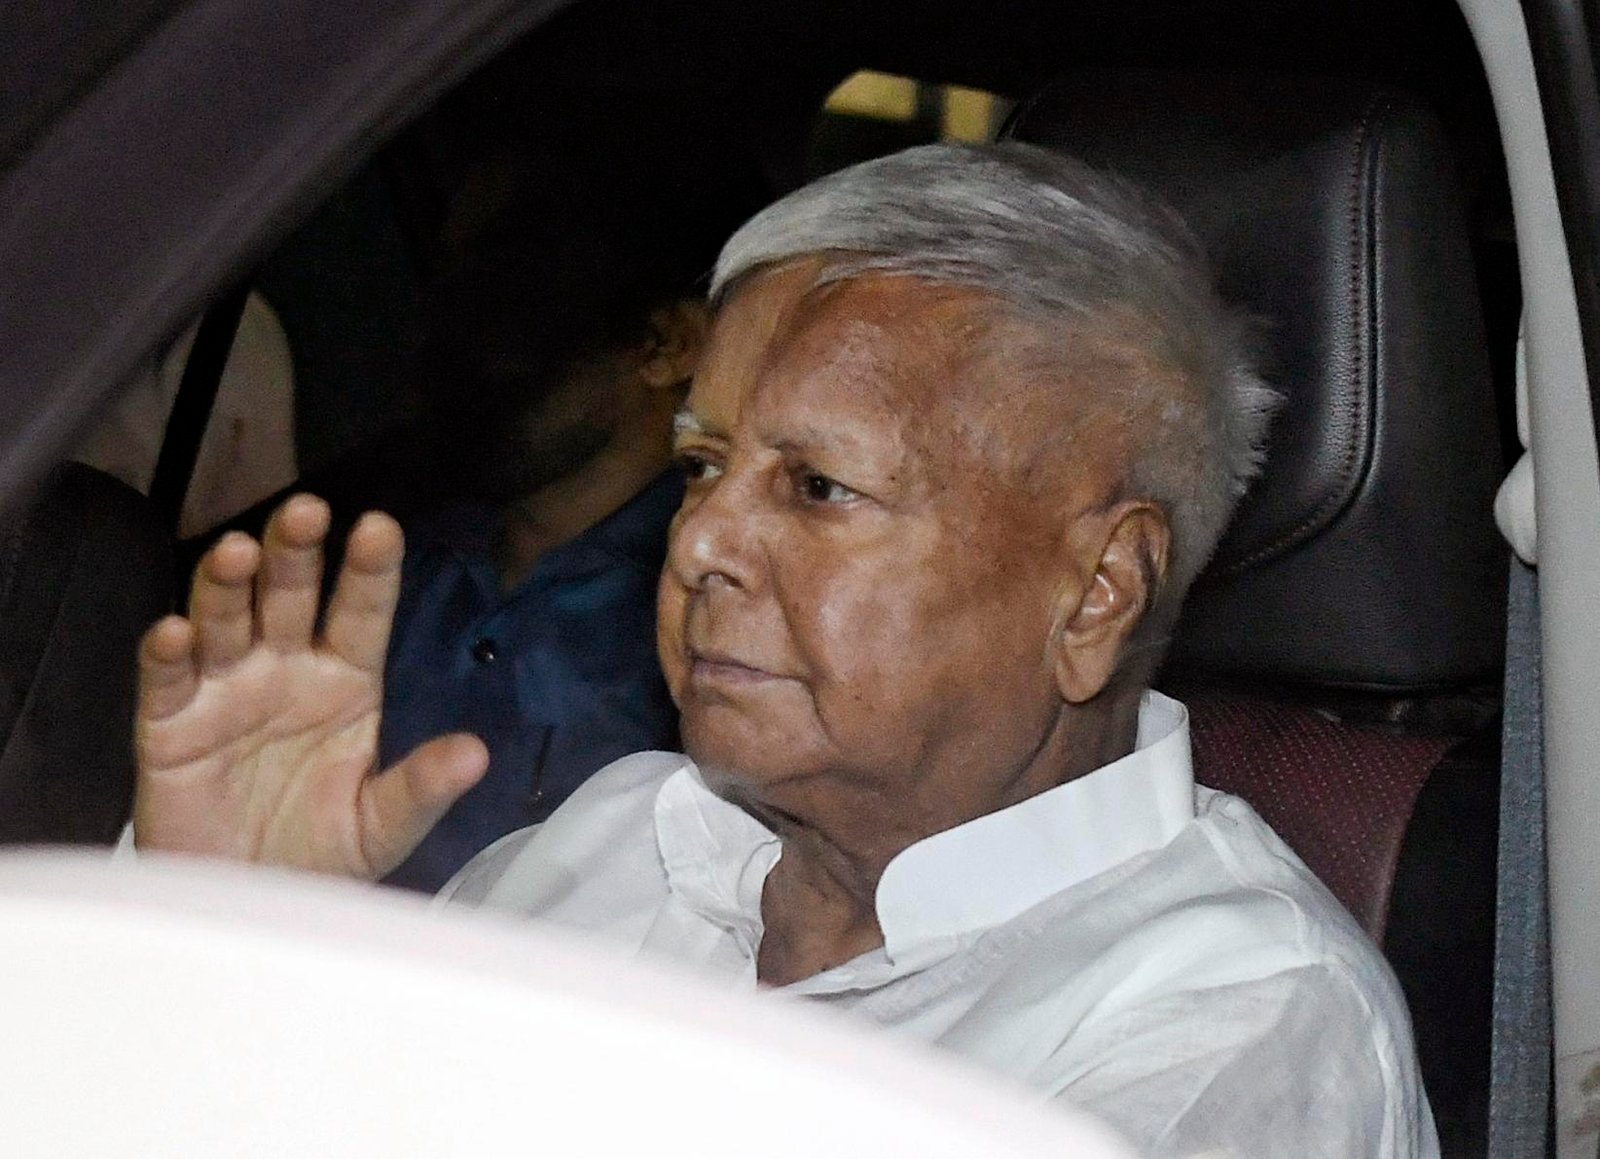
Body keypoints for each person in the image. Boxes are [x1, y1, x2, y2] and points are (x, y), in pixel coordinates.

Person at [131, 142, 1437, 1157]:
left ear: (1095, 592)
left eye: (817, 487)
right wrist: (219, 955)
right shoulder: (619, 835)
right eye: (703, 463)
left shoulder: (1231, 1025)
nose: (700, 539)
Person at [376, 143, 768, 891]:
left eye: (507, 288)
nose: (451, 329)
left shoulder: (723, 623)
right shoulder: (388, 565)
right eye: (448, 280)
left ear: (666, 344)